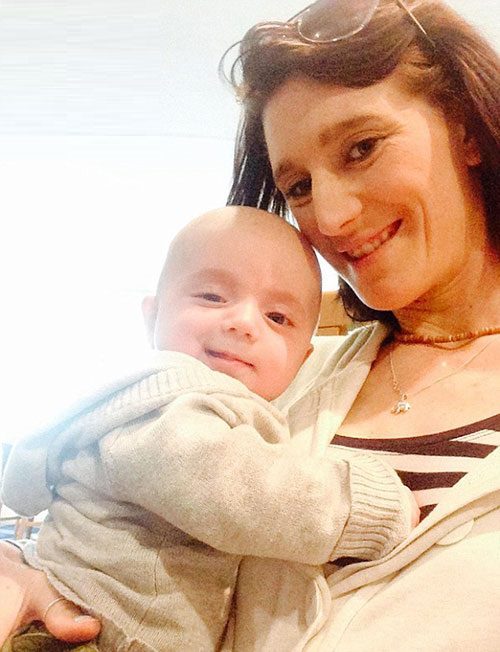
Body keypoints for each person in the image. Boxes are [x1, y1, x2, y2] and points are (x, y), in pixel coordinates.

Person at [1, 0, 498, 648]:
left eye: (361, 147)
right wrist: (24, 574)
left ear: (466, 127)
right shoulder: (265, 377)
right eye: (299, 187)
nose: (331, 218)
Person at [0, 206, 417, 651]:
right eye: (213, 297)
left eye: (277, 317)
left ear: (303, 359)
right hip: (86, 636)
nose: (243, 323)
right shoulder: (163, 409)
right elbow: (237, 492)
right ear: (152, 317)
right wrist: (364, 507)